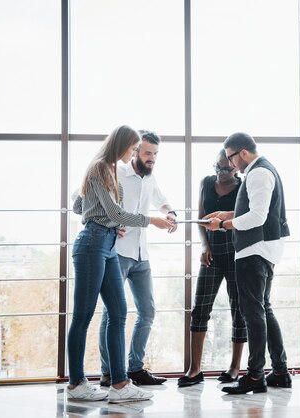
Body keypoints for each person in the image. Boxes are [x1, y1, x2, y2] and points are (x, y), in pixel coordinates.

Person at [67, 125, 174, 402]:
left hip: (109, 244)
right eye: (133, 148)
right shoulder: (101, 167)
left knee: (119, 311)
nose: (134, 153)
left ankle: (119, 385)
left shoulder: (110, 170)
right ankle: (76, 384)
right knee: (83, 316)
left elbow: (83, 206)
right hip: (92, 244)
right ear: (123, 145)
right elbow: (112, 211)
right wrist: (150, 220)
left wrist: (112, 222)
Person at [202, 132, 292, 395]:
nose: (230, 165)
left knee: (253, 313)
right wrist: (226, 214)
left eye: (231, 158)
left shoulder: (258, 173)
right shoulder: (260, 170)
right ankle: (279, 371)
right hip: (262, 249)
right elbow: (252, 210)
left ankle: (255, 375)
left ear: (242, 153)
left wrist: (224, 225)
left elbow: (257, 217)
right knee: (263, 308)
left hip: (254, 250)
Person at [98, 130, 177, 387]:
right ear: (135, 152)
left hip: (142, 255)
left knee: (148, 311)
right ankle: (109, 372)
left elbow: (161, 200)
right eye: (147, 153)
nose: (151, 158)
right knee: (112, 314)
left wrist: (171, 213)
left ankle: (135, 368)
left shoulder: (150, 178)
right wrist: (109, 222)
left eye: (155, 154)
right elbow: (85, 198)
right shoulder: (117, 173)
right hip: (118, 253)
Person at [178, 150, 247, 388]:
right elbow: (200, 218)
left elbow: (246, 217)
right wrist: (204, 246)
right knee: (200, 307)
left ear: (236, 168)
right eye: (217, 167)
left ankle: (235, 367)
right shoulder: (206, 182)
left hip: (236, 250)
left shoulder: (243, 187)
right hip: (212, 251)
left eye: (226, 169)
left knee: (238, 308)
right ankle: (194, 369)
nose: (220, 173)